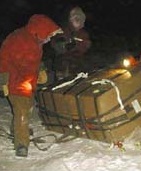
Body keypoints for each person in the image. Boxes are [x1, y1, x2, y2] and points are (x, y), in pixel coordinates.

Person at [0, 14, 63, 157]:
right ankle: (22, 144)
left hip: (27, 83)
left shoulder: (35, 41)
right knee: (22, 112)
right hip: (14, 82)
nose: (49, 38)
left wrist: (40, 70)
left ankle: (17, 131)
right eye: (48, 34)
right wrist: (3, 80)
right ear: (40, 30)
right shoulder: (18, 38)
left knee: (25, 109)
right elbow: (3, 58)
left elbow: (32, 61)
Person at [50, 6, 91, 80]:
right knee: (61, 83)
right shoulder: (62, 30)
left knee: (76, 83)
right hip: (62, 64)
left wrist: (76, 45)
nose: (77, 20)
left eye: (79, 18)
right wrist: (64, 44)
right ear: (70, 19)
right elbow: (55, 44)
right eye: (75, 18)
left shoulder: (83, 33)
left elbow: (85, 45)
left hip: (77, 65)